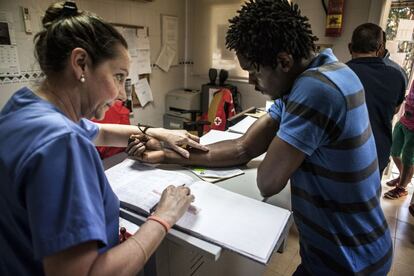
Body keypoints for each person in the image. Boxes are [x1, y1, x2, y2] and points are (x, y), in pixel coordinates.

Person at [129, 0, 393, 274]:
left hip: (351, 260)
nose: (253, 82)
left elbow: (268, 181)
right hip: (338, 252)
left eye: (254, 72)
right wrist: (164, 152)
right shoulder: (317, 73)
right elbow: (243, 147)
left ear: (283, 61)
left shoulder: (316, 89)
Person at [0, 1, 208, 275]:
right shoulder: (62, 143)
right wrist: (164, 216)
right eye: (119, 77)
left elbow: (101, 132)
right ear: (81, 63)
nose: (123, 93)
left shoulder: (24, 106)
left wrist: (157, 132)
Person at [346, 23, 406, 179]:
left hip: (341, 155)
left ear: (349, 47)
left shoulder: (336, 73)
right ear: (380, 48)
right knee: (368, 200)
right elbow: (394, 110)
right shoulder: (397, 76)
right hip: (377, 154)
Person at [384, 81, 414, 200]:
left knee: (408, 158)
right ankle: (403, 176)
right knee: (394, 151)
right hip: (404, 120)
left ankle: (402, 187)